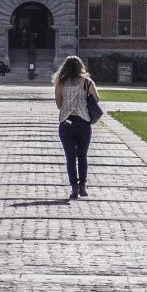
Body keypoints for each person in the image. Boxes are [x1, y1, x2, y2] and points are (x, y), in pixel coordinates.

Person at [52, 54, 99, 200]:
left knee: (70, 157)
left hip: (66, 122)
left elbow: (59, 104)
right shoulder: (87, 82)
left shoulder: (60, 82)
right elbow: (97, 99)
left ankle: (74, 187)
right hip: (84, 121)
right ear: (81, 67)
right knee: (82, 155)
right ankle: (83, 185)